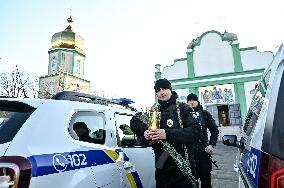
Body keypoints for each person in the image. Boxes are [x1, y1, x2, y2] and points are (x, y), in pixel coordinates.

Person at [130, 78, 201, 188]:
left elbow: (195, 132)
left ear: (170, 90)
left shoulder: (183, 108)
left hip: (182, 168)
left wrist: (167, 134)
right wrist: (146, 135)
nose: (161, 92)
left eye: (164, 89)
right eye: (158, 90)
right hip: (162, 170)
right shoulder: (153, 111)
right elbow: (144, 140)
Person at [187, 93, 219, 188]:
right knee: (191, 182)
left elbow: (214, 129)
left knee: (206, 181)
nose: (191, 102)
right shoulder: (184, 116)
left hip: (203, 153)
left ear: (197, 101)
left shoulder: (204, 114)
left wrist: (211, 144)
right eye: (189, 100)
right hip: (188, 154)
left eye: (193, 100)